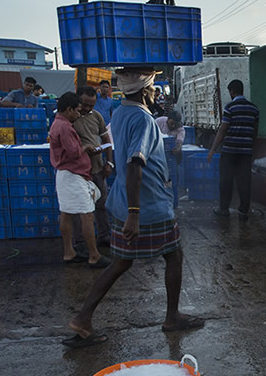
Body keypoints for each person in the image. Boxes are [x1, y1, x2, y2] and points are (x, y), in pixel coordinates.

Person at [64, 68, 204, 348]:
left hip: (124, 200)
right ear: (144, 91)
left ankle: (83, 318)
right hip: (147, 204)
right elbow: (135, 163)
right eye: (152, 89)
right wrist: (134, 214)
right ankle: (172, 316)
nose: (154, 94)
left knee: (121, 262)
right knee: (173, 255)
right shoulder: (144, 119)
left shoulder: (121, 112)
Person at [48, 91, 110, 270]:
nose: (79, 113)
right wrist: (88, 147)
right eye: (76, 110)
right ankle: (94, 255)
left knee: (66, 213)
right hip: (73, 174)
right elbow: (74, 153)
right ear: (68, 110)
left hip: (65, 174)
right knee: (87, 214)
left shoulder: (57, 124)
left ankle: (69, 252)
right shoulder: (65, 127)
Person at [207, 80, 259, 221]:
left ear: (232, 92)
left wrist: (212, 149)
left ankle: (224, 209)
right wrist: (251, 146)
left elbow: (223, 129)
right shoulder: (254, 109)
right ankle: (243, 211)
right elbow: (255, 131)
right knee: (244, 181)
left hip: (230, 151)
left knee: (226, 180)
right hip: (245, 152)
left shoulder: (230, 107)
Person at [71, 85, 115, 249]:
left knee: (101, 204)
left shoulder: (96, 116)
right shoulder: (71, 118)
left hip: (97, 168)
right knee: (79, 209)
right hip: (78, 172)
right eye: (84, 104)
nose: (88, 108)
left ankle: (104, 236)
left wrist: (109, 163)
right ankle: (80, 241)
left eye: (91, 105)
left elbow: (106, 141)